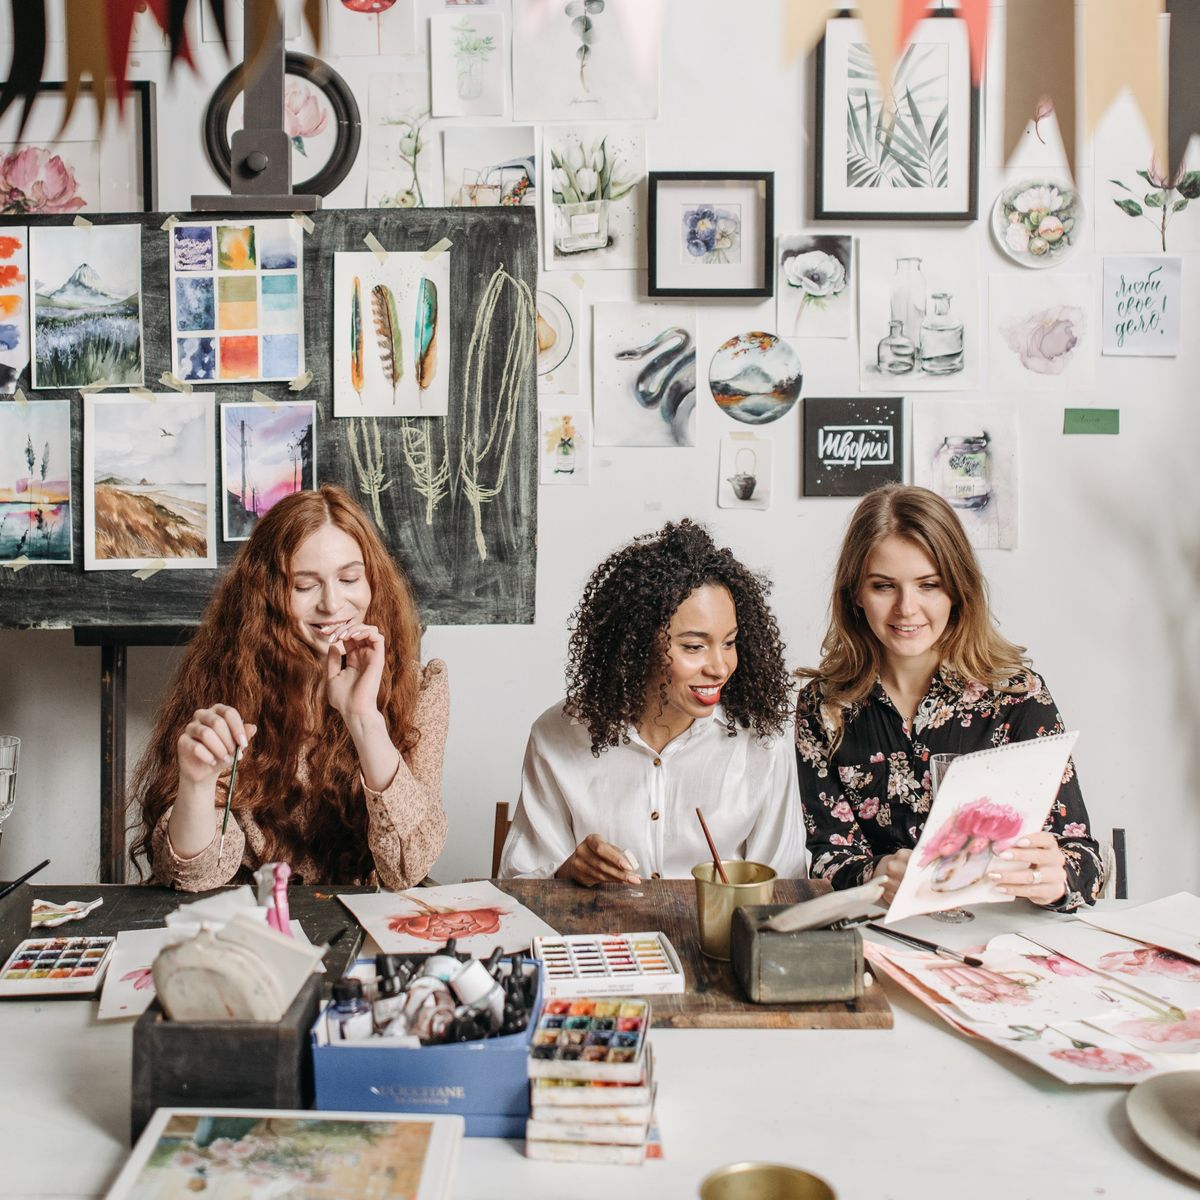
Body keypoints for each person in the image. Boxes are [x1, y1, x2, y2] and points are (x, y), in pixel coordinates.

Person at [795, 484, 1102, 911]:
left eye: (929, 585)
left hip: (999, 940)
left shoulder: (1018, 696)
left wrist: (1057, 878)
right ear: (855, 594)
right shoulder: (822, 706)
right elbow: (827, 858)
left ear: (958, 590)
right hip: (878, 937)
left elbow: (1085, 859)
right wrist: (874, 872)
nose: (907, 608)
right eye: (884, 586)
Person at [130, 485, 449, 891]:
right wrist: (196, 783)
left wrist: (364, 719)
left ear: (373, 582)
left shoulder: (420, 689)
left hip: (358, 927)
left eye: (350, 578)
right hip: (248, 926)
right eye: (305, 586)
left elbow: (408, 867)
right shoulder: (225, 679)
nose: (333, 604)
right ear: (267, 594)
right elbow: (192, 876)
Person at [500, 520, 806, 883]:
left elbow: (786, 886)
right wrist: (565, 873)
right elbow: (520, 884)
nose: (720, 667)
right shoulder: (557, 736)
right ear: (637, 645)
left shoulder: (762, 745)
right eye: (693, 646)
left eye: (729, 642)